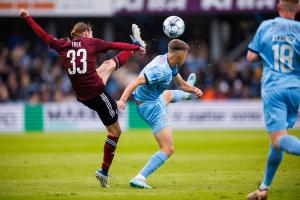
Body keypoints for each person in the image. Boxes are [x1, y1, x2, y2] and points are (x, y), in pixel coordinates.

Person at [19, 8, 146, 188]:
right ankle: (103, 171)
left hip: (83, 95)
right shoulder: (91, 43)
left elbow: (44, 35)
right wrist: (136, 48)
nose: (92, 35)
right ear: (85, 33)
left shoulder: (63, 45)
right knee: (116, 132)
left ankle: (135, 43)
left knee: (108, 65)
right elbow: (114, 45)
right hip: (97, 94)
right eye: (91, 33)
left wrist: (28, 17)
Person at [117, 39, 203, 188]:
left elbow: (182, 84)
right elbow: (135, 82)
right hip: (150, 108)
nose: (187, 58)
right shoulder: (161, 71)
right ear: (179, 55)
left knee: (168, 94)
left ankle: (188, 96)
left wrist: (193, 90)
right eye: (186, 55)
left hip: (152, 100)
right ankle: (140, 177)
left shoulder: (167, 60)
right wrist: (122, 100)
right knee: (168, 148)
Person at [246, 0, 300, 199]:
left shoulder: (267, 26)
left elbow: (251, 57)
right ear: (299, 8)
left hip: (274, 88)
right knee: (276, 142)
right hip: (295, 89)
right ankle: (264, 188)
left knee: (278, 139)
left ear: (278, 7)